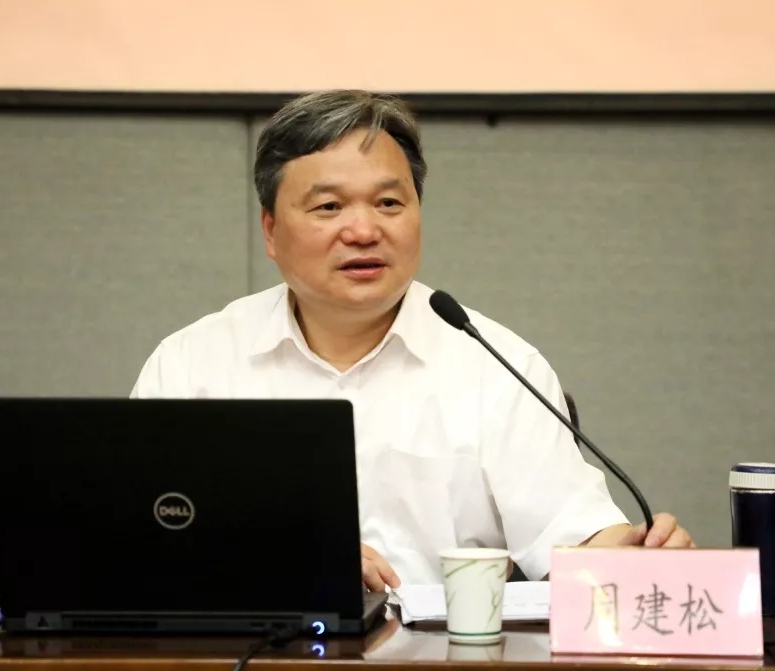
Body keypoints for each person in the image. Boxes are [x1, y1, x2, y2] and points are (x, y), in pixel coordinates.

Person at [130, 89, 695, 590]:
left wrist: (632, 557)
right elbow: (136, 540)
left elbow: (573, 536)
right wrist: (282, 559)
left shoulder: (497, 366)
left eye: (389, 203)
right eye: (329, 207)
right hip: (247, 666)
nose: (363, 231)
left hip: (446, 667)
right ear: (271, 230)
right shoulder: (192, 364)